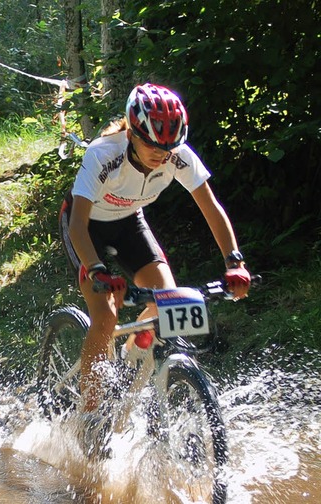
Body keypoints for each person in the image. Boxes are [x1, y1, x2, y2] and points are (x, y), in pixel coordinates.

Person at [59, 83, 251, 421]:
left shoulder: (177, 155)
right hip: (86, 227)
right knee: (105, 314)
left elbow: (211, 207)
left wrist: (234, 262)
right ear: (132, 133)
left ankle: (130, 364)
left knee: (168, 299)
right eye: (152, 144)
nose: (162, 154)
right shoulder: (104, 155)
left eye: (170, 146)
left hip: (129, 223)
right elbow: (77, 225)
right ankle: (88, 419)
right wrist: (97, 270)